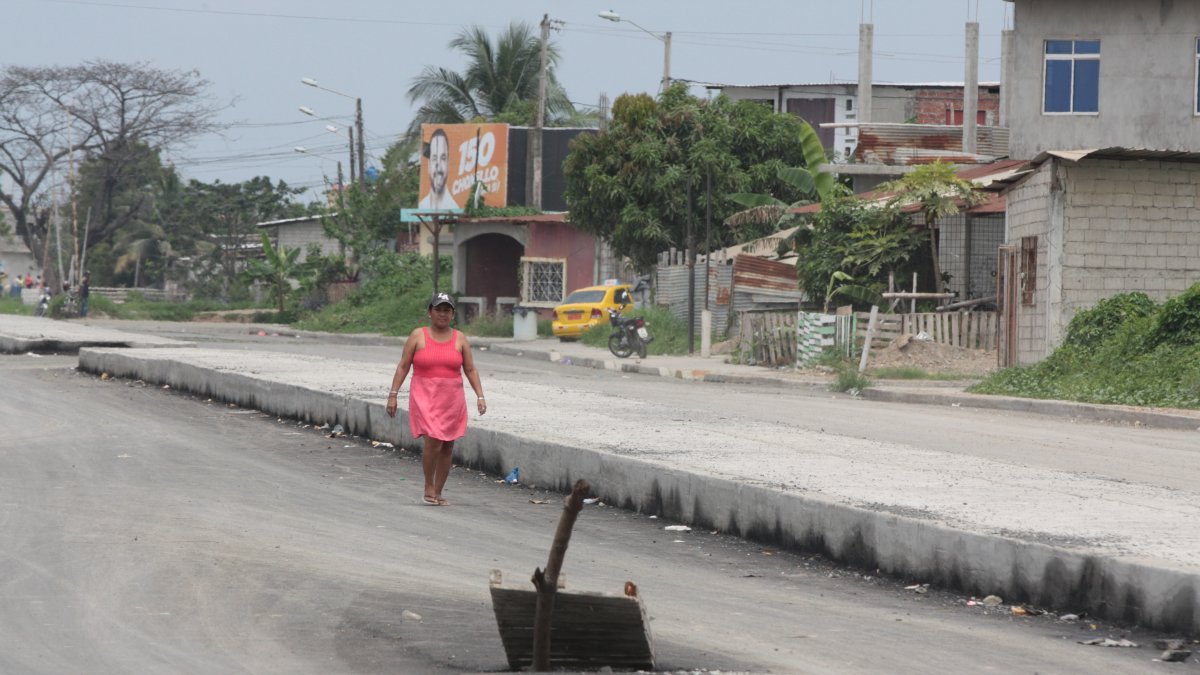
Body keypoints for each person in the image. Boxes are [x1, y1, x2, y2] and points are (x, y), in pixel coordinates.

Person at [386, 292, 486, 505]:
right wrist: (393, 394)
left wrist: (480, 396)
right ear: (430, 312)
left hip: (451, 398)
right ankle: (428, 487)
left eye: (447, 310)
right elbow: (403, 366)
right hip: (425, 396)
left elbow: (470, 369)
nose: (442, 314)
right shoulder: (418, 336)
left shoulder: (460, 338)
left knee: (447, 444)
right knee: (433, 440)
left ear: (453, 314)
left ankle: (438, 491)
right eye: (438, 309)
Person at [417, 128, 460, 210]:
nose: (438, 166)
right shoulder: (423, 206)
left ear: (448, 163)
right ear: (428, 164)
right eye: (434, 158)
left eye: (443, 158)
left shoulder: (455, 209)